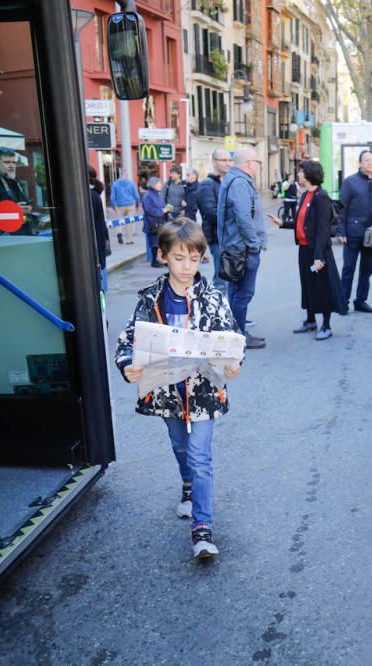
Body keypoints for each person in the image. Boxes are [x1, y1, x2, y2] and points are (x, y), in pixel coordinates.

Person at [114, 217, 241, 559]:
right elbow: (127, 340)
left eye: (194, 259)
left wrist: (233, 362)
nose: (187, 267)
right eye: (179, 258)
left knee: (201, 457)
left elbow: (230, 337)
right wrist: (128, 365)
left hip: (203, 392)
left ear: (201, 258)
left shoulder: (213, 298)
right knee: (180, 446)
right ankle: (187, 484)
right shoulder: (151, 299)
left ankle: (202, 528)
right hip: (166, 392)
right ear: (163, 256)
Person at [271, 160, 347, 340]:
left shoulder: (321, 197)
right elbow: (303, 223)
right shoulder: (305, 195)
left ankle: (326, 325)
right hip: (304, 250)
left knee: (322, 286)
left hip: (317, 253)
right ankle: (310, 320)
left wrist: (318, 257)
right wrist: (282, 223)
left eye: (301, 172)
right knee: (308, 284)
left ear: (310, 174)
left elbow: (322, 229)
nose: (298, 174)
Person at [217, 147, 266, 349]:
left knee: (237, 293)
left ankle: (237, 334)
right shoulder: (239, 183)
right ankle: (238, 337)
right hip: (242, 250)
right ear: (249, 163)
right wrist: (254, 244)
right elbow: (243, 217)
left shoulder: (234, 180)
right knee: (242, 294)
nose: (257, 166)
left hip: (236, 248)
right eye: (257, 163)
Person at [337, 150, 372, 313]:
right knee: (348, 268)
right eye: (366, 160)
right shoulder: (350, 182)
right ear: (360, 163)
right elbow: (341, 208)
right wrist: (341, 231)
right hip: (352, 233)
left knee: (367, 270)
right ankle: (343, 302)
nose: (370, 163)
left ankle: (361, 301)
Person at [198, 150, 231, 289]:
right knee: (221, 279)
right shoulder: (207, 184)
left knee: (230, 278)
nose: (228, 163)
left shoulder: (228, 182)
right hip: (217, 238)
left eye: (230, 160)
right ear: (213, 162)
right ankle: (218, 308)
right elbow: (210, 214)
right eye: (223, 160)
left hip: (229, 237)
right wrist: (234, 216)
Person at [88, 166, 110, 293]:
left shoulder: (89, 197)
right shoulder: (95, 195)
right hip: (99, 238)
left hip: (95, 239)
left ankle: (101, 290)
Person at [109, 169, 140, 245]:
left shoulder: (115, 184)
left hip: (120, 206)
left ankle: (119, 232)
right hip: (130, 205)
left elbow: (112, 197)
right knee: (129, 222)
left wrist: (113, 206)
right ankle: (129, 240)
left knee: (120, 220)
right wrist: (137, 204)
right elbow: (136, 196)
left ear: (120, 175)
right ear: (126, 175)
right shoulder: (131, 183)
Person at [142, 177, 166, 267]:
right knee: (154, 242)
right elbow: (149, 209)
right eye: (159, 183)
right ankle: (154, 261)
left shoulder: (157, 194)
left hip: (159, 222)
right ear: (153, 184)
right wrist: (161, 211)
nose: (161, 185)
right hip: (152, 223)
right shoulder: (148, 195)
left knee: (158, 242)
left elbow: (160, 205)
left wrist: (165, 209)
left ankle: (158, 259)